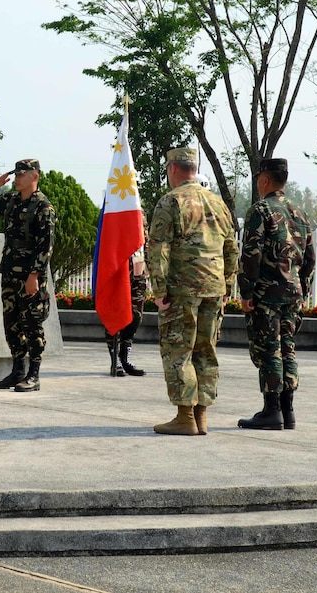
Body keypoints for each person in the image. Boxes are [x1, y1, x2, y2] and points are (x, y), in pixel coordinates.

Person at [147, 148, 238, 435]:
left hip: (182, 289)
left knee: (179, 351)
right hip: (214, 288)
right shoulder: (217, 203)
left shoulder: (170, 201)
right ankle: (202, 416)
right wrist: (228, 285)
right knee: (206, 350)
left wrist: (159, 288)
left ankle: (185, 416)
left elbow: (158, 247)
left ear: (173, 168)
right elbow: (231, 247)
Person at [237, 158, 316, 431]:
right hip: (292, 293)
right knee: (288, 348)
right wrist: (302, 288)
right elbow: (309, 259)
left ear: (264, 180)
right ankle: (288, 410)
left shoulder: (260, 210)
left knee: (270, 348)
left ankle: (271, 411)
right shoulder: (300, 213)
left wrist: (246, 290)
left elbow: (251, 254)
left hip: (267, 293)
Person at [0, 159, 56, 392]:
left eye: (22, 175)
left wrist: (35, 276)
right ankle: (18, 370)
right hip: (10, 271)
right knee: (11, 323)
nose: (17, 178)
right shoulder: (11, 201)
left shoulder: (43, 207)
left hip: (30, 275)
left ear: (35, 176)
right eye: (16, 175)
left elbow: (46, 246)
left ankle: (34, 374)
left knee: (32, 324)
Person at [103, 247, 148, 377]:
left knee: (136, 316)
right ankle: (114, 359)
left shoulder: (143, 225)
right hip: (117, 266)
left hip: (138, 266)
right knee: (114, 315)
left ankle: (124, 356)